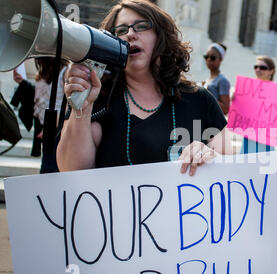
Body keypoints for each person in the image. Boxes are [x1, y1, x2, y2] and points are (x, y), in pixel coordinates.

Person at [57, 0, 233, 176]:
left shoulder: (199, 99)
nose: (130, 34)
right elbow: (72, 169)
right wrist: (82, 108)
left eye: (141, 26)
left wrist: (210, 156)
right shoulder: (99, 98)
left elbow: (233, 165)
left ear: (161, 36)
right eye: (121, 31)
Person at [12, 58, 68, 173]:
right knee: (47, 166)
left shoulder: (65, 72)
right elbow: (40, 98)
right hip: (45, 126)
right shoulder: (43, 73)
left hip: (58, 129)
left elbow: (66, 104)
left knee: (51, 168)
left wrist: (51, 125)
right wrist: (22, 82)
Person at [239, 56, 277, 154]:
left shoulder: (276, 91)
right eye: (256, 67)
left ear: (271, 71)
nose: (258, 70)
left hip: (265, 137)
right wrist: (236, 100)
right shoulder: (247, 89)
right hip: (249, 135)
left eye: (262, 67)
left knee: (264, 166)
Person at [203, 43, 231, 115]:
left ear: (220, 59)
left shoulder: (222, 80)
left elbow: (225, 109)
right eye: (206, 57)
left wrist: (206, 95)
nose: (209, 60)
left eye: (213, 57)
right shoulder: (208, 79)